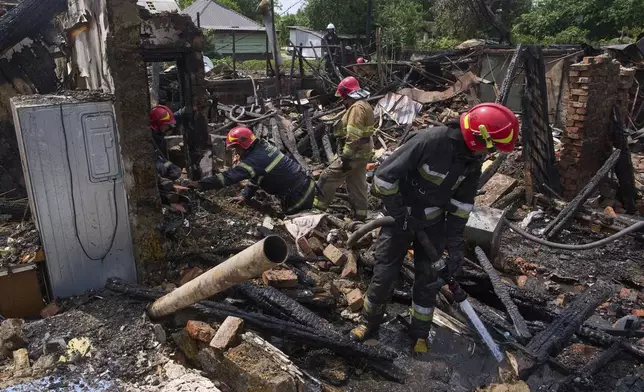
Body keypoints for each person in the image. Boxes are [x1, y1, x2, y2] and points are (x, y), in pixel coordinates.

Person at [349, 103, 519, 354]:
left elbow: (461, 207)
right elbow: (383, 178)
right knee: (384, 273)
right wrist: (399, 212)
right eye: (490, 144)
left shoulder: (472, 159)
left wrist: (455, 247)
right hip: (399, 219)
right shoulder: (429, 141)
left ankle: (419, 334)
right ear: (477, 135)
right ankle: (368, 324)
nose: (490, 151)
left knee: (429, 279)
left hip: (433, 225)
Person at [184, 126, 315, 215]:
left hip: (298, 197)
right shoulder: (263, 147)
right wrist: (245, 195)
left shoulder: (255, 159)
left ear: (243, 145)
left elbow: (228, 177)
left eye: (236, 148)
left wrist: (200, 184)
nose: (235, 152)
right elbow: (258, 177)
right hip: (304, 187)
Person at [314, 76, 374, 221]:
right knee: (357, 185)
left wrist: (346, 156)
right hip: (363, 153)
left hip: (354, 154)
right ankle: (361, 216)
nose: (343, 101)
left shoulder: (356, 108)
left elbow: (353, 134)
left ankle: (316, 210)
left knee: (327, 177)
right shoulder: (364, 105)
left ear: (347, 95)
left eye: (344, 98)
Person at [150, 105, 182, 181]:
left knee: (175, 170)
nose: (167, 128)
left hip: (161, 160)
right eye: (166, 125)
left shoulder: (159, 135)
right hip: (154, 163)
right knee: (162, 168)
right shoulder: (150, 137)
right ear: (157, 123)